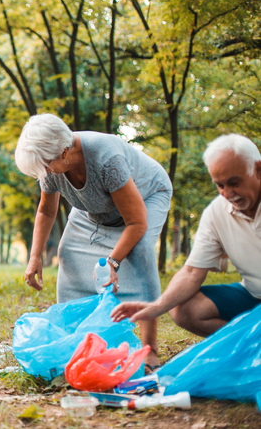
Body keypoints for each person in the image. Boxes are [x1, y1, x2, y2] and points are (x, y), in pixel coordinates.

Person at [14, 113, 172, 371]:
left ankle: (150, 349)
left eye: (45, 165)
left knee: (140, 250)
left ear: (64, 152)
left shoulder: (107, 159)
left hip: (146, 196)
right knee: (68, 252)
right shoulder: (51, 165)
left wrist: (113, 261)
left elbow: (136, 222)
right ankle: (76, 339)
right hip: (94, 206)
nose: (44, 173)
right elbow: (46, 211)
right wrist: (34, 257)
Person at [112, 134, 261, 338]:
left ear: (258, 170)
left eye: (234, 183)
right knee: (185, 309)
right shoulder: (216, 213)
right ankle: (248, 347)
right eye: (220, 185)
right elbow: (192, 272)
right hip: (254, 294)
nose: (227, 193)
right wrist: (157, 306)